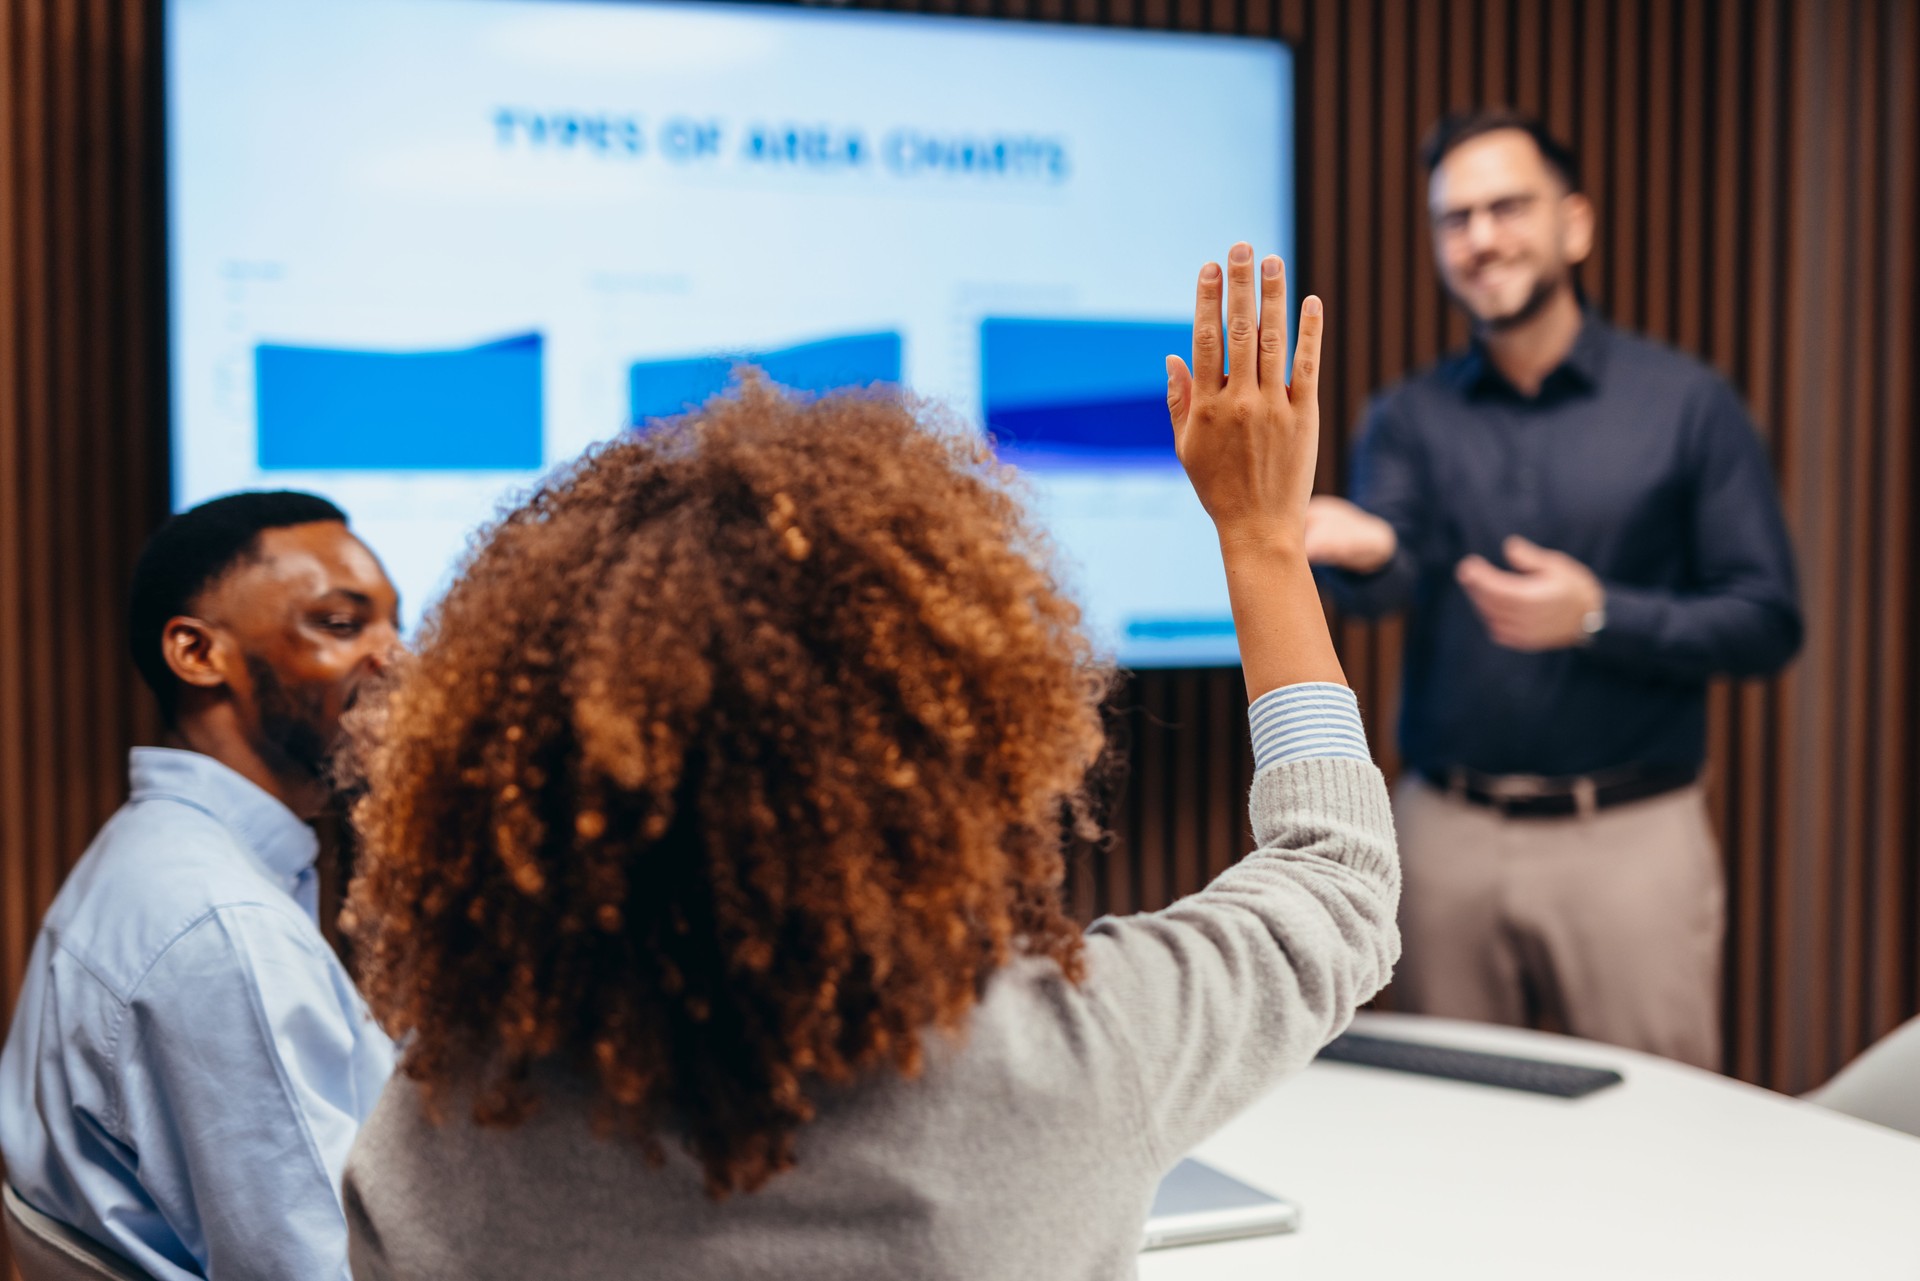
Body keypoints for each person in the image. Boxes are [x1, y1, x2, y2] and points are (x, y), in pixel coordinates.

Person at [338, 247, 1398, 1280]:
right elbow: (1338, 879)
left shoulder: (438, 1131)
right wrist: (1261, 540)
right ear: (950, 747)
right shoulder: (1076, 1059)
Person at [1305, 110, 1802, 1069]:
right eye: (1455, 219)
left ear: (1574, 225)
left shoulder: (1686, 405)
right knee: (1450, 1135)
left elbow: (1767, 619)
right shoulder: (1406, 415)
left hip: (1627, 839)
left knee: (1654, 1130)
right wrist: (1365, 550)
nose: (1481, 238)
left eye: (1506, 208)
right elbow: (1392, 578)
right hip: (1445, 832)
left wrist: (1600, 616)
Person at [0, 492, 403, 1280]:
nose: (396, 656)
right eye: (343, 624)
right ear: (196, 652)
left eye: (396, 619)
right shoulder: (224, 927)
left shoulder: (160, 855)